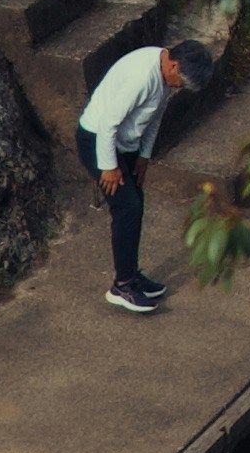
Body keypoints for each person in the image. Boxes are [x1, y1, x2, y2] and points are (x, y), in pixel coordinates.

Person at [77, 26, 209, 314]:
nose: (179, 87)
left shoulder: (165, 76)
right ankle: (122, 286)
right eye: (181, 81)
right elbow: (108, 124)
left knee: (135, 206)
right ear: (173, 65)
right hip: (99, 141)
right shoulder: (142, 78)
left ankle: (131, 274)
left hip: (125, 146)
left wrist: (144, 156)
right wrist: (109, 167)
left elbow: (156, 116)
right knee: (128, 208)